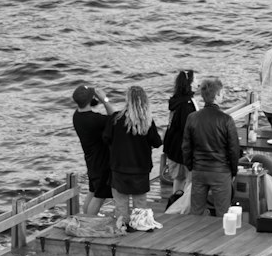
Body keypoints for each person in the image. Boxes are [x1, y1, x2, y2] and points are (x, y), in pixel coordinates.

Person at [103, 85, 161, 229]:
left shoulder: (116, 119)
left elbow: (106, 139)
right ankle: (138, 231)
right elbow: (157, 142)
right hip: (140, 170)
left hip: (119, 168)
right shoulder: (147, 122)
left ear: (127, 100)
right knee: (140, 207)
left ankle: (122, 231)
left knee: (121, 206)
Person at [182, 77, 241, 219]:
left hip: (199, 169)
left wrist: (191, 167)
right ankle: (222, 239)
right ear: (217, 96)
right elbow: (234, 150)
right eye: (222, 93)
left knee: (196, 212)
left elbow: (186, 147)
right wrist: (233, 171)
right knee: (223, 214)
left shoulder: (192, 118)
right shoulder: (226, 120)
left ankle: (196, 238)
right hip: (220, 171)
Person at [72, 83, 114, 216]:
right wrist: (105, 100)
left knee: (93, 190)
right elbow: (114, 118)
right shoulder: (95, 120)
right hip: (101, 161)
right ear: (90, 100)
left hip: (91, 159)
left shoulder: (76, 116)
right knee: (100, 196)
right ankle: (90, 221)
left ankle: (86, 216)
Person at [161, 68, 195, 204]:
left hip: (173, 146)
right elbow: (188, 128)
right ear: (190, 83)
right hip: (184, 148)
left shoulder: (175, 101)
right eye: (195, 79)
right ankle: (184, 206)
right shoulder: (187, 104)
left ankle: (174, 203)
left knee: (178, 179)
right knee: (190, 180)